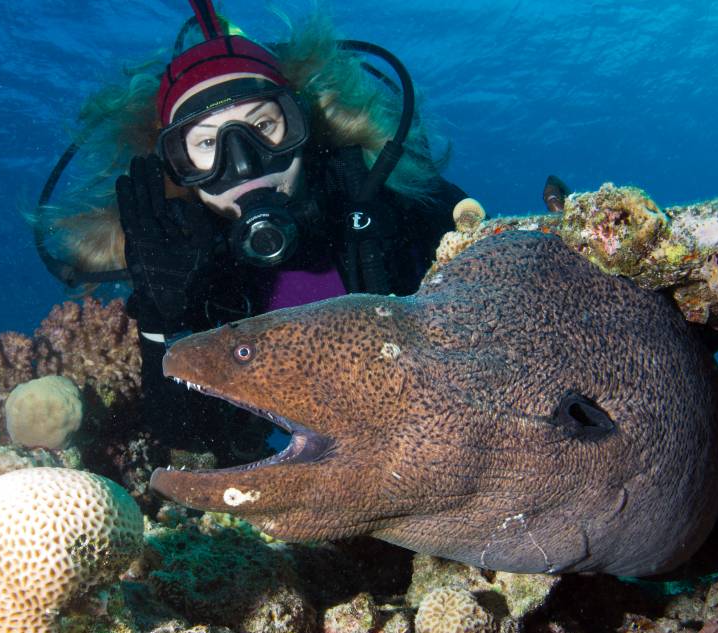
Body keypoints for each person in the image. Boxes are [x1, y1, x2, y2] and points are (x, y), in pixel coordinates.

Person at [40, 0, 474, 458]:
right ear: (175, 167)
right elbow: (188, 436)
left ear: (301, 122)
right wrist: (163, 321)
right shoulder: (183, 264)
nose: (244, 164)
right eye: (208, 143)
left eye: (262, 125)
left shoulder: (378, 198)